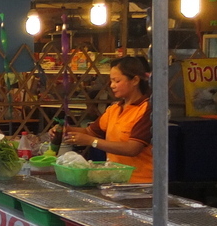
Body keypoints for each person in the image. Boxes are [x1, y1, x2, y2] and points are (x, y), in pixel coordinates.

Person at [64, 55, 153, 183]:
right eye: (111, 81)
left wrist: (92, 141)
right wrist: (67, 130)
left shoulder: (147, 109)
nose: (112, 85)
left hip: (140, 182)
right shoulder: (114, 109)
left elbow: (132, 148)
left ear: (135, 80)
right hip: (116, 180)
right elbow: (90, 132)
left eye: (117, 81)